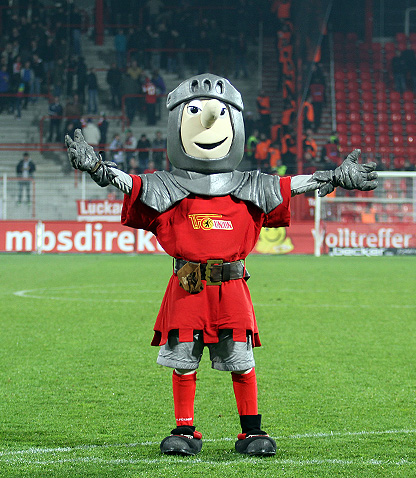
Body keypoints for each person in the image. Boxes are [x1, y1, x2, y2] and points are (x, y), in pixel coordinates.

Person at [66, 73, 378, 458]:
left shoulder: (250, 186)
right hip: (188, 286)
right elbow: (131, 184)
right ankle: (184, 430)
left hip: (232, 287)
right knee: (184, 361)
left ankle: (252, 431)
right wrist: (98, 169)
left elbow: (291, 184)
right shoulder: (167, 187)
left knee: (242, 361)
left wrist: (334, 178)